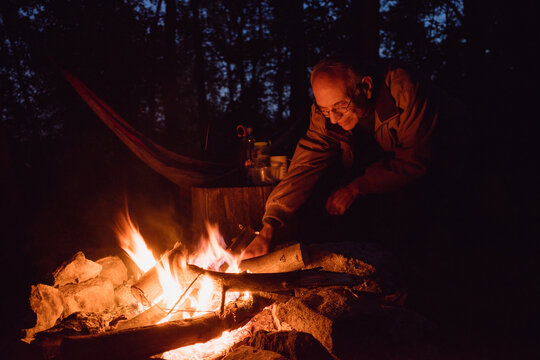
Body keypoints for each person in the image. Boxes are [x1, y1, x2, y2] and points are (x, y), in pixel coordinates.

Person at [243, 55, 453, 258]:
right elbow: (306, 164)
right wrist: (270, 225)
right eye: (325, 110)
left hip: (442, 173)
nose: (333, 119)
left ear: (366, 87)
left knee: (417, 224)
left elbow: (413, 161)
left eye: (340, 107)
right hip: (370, 174)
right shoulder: (324, 112)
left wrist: (356, 187)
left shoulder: (405, 92)